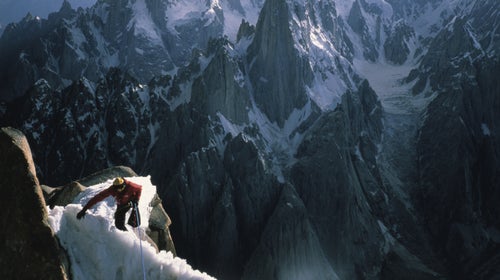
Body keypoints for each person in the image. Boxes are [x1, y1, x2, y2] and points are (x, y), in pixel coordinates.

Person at [77, 177, 142, 231]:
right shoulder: (112, 189)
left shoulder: (131, 186)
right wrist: (84, 209)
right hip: (121, 204)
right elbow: (97, 198)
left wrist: (136, 199)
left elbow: (139, 188)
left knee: (135, 223)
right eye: (117, 189)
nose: (119, 190)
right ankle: (126, 237)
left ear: (124, 185)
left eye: (120, 188)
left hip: (131, 201)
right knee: (119, 224)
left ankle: (132, 226)